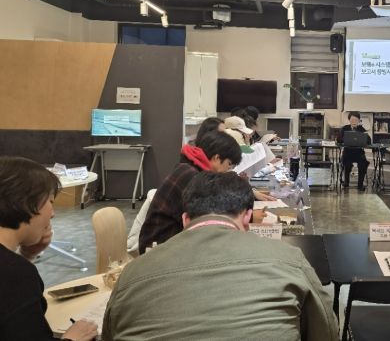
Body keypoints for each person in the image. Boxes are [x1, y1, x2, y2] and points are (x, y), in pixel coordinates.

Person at [103, 172, 338, 340]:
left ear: (185, 219)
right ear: (247, 217)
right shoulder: (289, 260)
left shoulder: (132, 274)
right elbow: (327, 331)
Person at [0, 156, 98, 341]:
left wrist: (26, 256)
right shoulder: (15, 274)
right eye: (51, 202)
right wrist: (72, 339)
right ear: (28, 202)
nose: (52, 214)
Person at [138, 131, 242, 254]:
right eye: (229, 165)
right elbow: (210, 216)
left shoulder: (189, 168)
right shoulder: (192, 177)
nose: (228, 171)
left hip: (167, 242)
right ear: (217, 158)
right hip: (158, 250)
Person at [338, 111, 370, 190]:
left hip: (359, 153)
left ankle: (360, 185)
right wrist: (344, 139)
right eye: (352, 120)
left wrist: (363, 135)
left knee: (363, 164)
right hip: (348, 152)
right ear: (349, 120)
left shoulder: (361, 129)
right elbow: (338, 140)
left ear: (359, 121)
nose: (354, 122)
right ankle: (346, 182)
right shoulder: (345, 128)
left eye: (356, 120)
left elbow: (369, 141)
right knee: (347, 163)